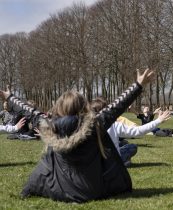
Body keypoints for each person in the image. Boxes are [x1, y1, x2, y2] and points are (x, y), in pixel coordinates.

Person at [0, 69, 155, 203]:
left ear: (59, 108)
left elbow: (29, 111)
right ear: (83, 107)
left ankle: (30, 189)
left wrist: (9, 98)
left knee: (46, 161)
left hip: (59, 190)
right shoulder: (95, 125)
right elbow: (117, 105)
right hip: (94, 190)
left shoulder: (49, 125)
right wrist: (138, 85)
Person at [90, 97, 171, 166]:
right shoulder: (114, 125)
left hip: (93, 162)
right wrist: (159, 120)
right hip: (112, 161)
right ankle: (123, 162)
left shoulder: (84, 126)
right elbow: (138, 131)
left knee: (124, 143)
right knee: (132, 147)